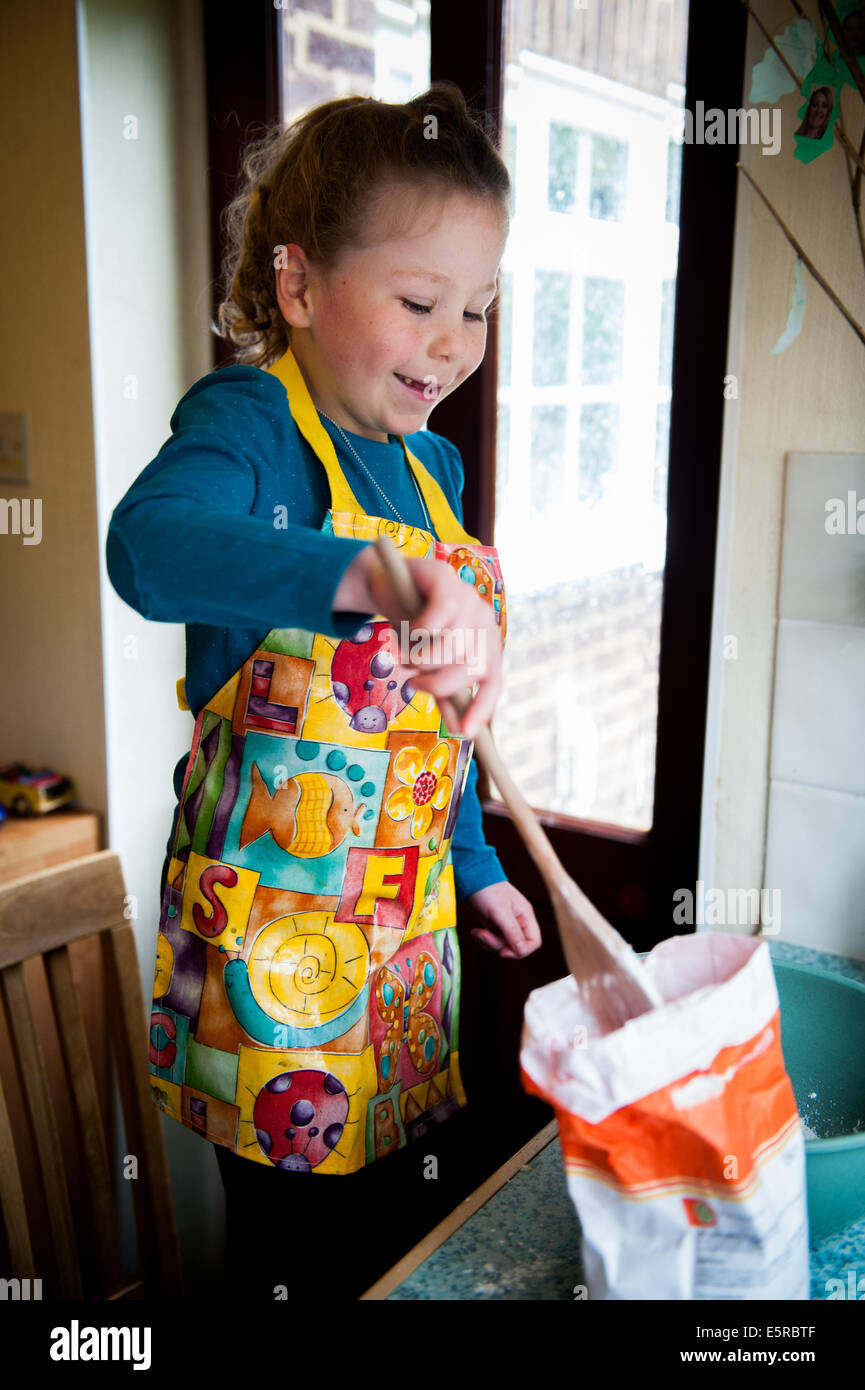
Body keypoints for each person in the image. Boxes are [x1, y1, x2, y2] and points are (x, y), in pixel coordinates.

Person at [106, 82, 542, 1298]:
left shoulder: (435, 467)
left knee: (391, 1259)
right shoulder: (248, 427)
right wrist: (366, 573)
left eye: (479, 308)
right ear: (298, 288)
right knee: (297, 1268)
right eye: (420, 303)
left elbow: (428, 727)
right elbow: (147, 546)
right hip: (268, 978)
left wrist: (478, 864)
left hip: (403, 967)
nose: (455, 342)